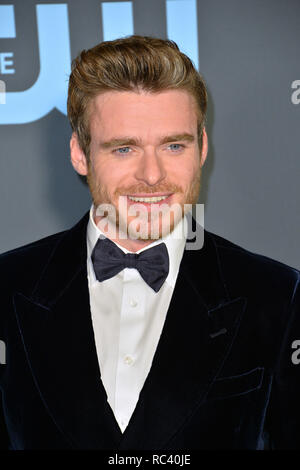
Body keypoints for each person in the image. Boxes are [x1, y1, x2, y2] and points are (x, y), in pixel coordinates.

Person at [0, 35, 299, 451]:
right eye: (124, 149)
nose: (153, 175)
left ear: (203, 148)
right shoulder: (7, 287)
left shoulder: (278, 295)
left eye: (174, 145)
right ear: (80, 154)